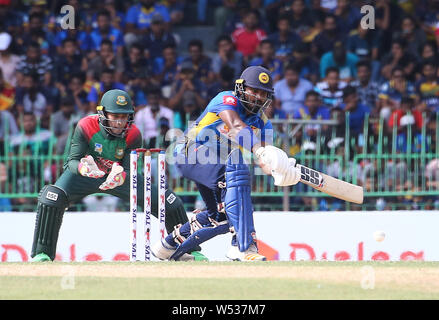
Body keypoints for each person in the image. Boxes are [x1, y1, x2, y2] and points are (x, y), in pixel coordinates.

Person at [30, 89, 207, 262]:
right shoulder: (85, 126)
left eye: (124, 116)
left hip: (117, 177)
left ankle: (189, 249)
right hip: (83, 176)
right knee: (51, 197)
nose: (119, 122)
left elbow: (129, 170)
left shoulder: (134, 134)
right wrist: (85, 169)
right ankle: (42, 254)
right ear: (103, 113)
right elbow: (71, 162)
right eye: (115, 116)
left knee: (168, 201)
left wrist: (119, 176)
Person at [151, 66, 301, 261]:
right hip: (189, 153)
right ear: (241, 88)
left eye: (262, 94)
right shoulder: (226, 99)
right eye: (253, 91)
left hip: (218, 167)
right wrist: (259, 151)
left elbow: (265, 161)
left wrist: (282, 169)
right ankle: (242, 246)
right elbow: (237, 126)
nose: (257, 97)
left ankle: (167, 245)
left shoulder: (263, 123)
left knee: (220, 216)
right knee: (237, 173)